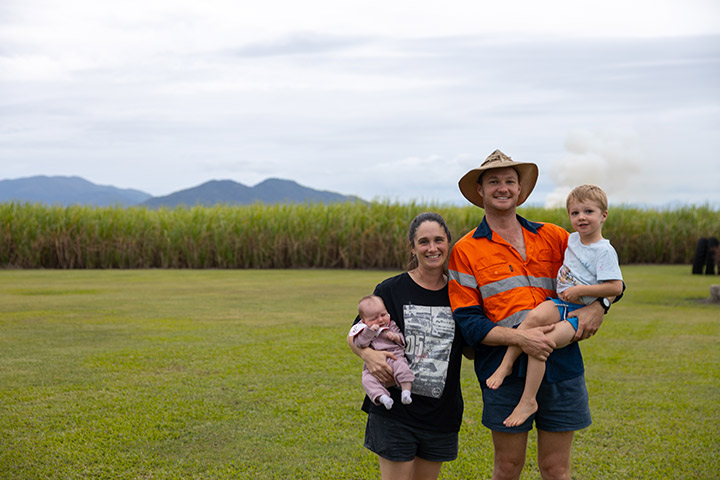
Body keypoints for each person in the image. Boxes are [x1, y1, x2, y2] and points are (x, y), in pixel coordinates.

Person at [448, 150, 622, 480]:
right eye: (494, 181)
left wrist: (600, 307)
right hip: (502, 370)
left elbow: (608, 277)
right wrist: (521, 338)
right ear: (481, 191)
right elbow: (469, 322)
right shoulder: (466, 249)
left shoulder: (556, 237)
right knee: (508, 467)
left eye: (510, 181)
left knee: (556, 469)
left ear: (520, 190)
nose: (503, 187)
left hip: (562, 365)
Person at [485, 184, 624, 428]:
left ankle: (528, 400)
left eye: (589, 212)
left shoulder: (604, 251)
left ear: (604, 215)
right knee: (532, 319)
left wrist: (590, 298)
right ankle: (505, 365)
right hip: (561, 303)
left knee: (542, 342)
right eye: (575, 213)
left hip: (577, 311)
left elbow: (616, 287)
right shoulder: (569, 239)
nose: (581, 217)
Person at [348, 212, 466, 480]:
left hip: (441, 412)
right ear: (412, 248)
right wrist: (368, 355)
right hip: (395, 413)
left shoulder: (462, 293)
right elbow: (355, 334)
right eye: (423, 242)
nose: (432, 248)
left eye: (439, 240)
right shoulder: (390, 290)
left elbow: (472, 346)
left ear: (449, 242)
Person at [350, 294, 415, 410]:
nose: (380, 320)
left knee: (403, 367)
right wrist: (370, 331)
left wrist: (395, 337)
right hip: (374, 365)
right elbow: (360, 343)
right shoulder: (364, 329)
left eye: (383, 315)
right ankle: (383, 397)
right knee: (367, 379)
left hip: (395, 357)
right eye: (374, 318)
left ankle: (406, 391)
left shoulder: (391, 325)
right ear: (364, 321)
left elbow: (403, 340)